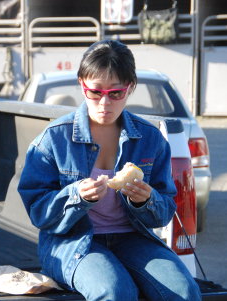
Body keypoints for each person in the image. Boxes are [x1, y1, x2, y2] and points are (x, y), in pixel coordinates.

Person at [17, 39, 201, 301]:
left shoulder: (150, 138)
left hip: (132, 238)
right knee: (115, 292)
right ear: (82, 84)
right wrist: (76, 195)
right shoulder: (54, 138)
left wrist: (146, 200)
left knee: (185, 291)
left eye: (115, 93)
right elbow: (38, 212)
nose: (105, 103)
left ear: (130, 88)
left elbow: (163, 213)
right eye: (96, 92)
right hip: (72, 242)